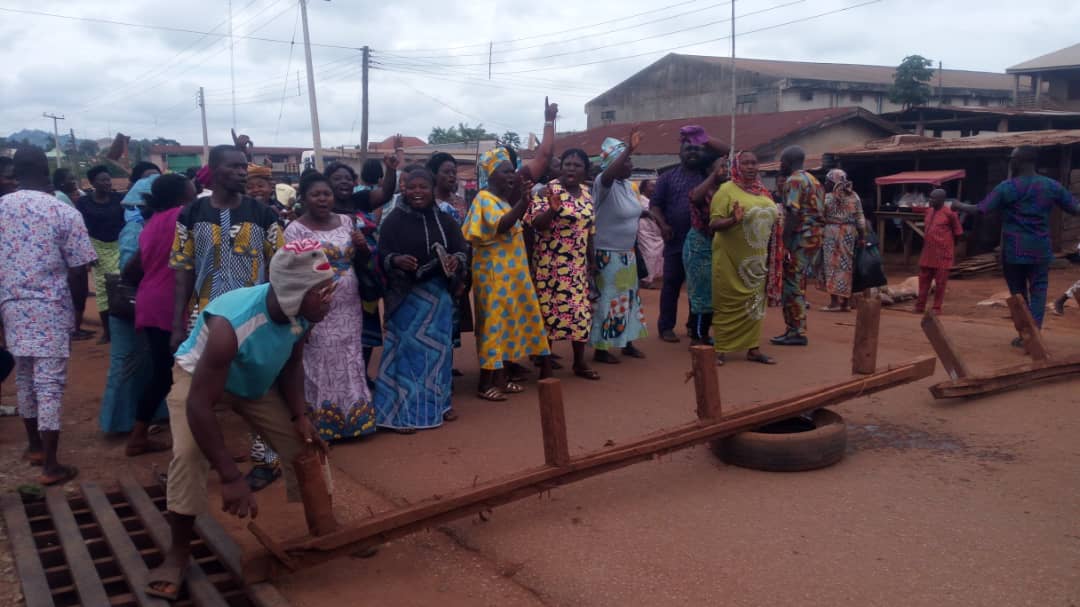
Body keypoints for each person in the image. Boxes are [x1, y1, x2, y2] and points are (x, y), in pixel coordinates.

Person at [145, 242, 334, 601]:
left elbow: (292, 365)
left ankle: (326, 530)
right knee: (188, 456)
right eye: (322, 293)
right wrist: (231, 476)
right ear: (295, 292)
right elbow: (199, 405)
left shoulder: (304, 314)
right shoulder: (230, 326)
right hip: (199, 381)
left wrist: (300, 415)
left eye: (330, 290)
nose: (330, 300)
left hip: (252, 382)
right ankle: (178, 554)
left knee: (305, 448)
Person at [170, 144, 286, 492]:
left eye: (244, 166)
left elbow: (279, 266)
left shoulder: (263, 214)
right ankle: (201, 459)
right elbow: (183, 270)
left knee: (259, 387)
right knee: (201, 389)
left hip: (253, 316)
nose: (241, 172)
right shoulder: (191, 213)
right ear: (213, 170)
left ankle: (266, 461)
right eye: (234, 166)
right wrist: (177, 322)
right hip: (206, 315)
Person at [0, 147, 97, 485]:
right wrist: (75, 313)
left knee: (25, 377)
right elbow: (78, 269)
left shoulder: (1, 208)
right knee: (50, 384)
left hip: (11, 306)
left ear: (15, 172)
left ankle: (35, 447)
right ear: (46, 171)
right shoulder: (63, 211)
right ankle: (51, 465)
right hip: (50, 308)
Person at [953, 146, 1080, 339]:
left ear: (1019, 161)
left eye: (1012, 158)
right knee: (1038, 292)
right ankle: (1034, 334)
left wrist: (957, 205)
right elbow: (1075, 209)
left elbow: (980, 209)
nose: (1010, 161)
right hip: (1039, 250)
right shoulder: (1051, 186)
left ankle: (1025, 335)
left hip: (1014, 250)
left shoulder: (1007, 187)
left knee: (1018, 294)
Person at [375, 168, 468, 431]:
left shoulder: (445, 220)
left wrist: (455, 260)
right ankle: (403, 412)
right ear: (404, 190)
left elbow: (462, 250)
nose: (417, 192)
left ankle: (440, 405)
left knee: (439, 355)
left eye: (423, 187)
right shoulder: (393, 221)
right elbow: (382, 253)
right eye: (412, 187)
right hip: (406, 299)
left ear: (432, 189)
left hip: (438, 300)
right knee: (406, 355)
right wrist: (396, 260)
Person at [284, 173, 376, 440]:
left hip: (349, 303)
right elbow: (290, 271)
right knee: (319, 359)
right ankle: (322, 425)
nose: (322, 199)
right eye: (316, 194)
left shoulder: (347, 221)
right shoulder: (295, 230)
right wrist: (300, 308)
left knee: (350, 356)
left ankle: (355, 421)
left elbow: (363, 257)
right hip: (316, 305)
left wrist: (363, 247)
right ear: (304, 198)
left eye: (327, 194)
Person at [463, 147, 551, 401]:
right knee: (492, 327)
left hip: (510, 277)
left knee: (506, 325)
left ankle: (501, 379)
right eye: (505, 172)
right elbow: (501, 226)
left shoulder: (501, 201)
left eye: (512, 171)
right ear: (490, 175)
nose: (511, 176)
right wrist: (523, 202)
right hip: (493, 277)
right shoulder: (484, 198)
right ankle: (485, 384)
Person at [120, 174, 196, 455]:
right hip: (172, 302)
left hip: (150, 300)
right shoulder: (184, 217)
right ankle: (192, 443)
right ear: (183, 193)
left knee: (163, 372)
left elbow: (134, 267)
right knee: (179, 374)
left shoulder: (152, 223)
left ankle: (139, 434)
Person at [649, 125, 730, 342]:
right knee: (671, 284)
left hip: (705, 240)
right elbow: (655, 205)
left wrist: (703, 138)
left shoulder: (708, 172)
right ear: (680, 153)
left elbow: (726, 150)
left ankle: (695, 328)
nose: (693, 153)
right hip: (675, 239)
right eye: (688, 149)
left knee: (702, 285)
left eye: (697, 149)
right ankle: (666, 327)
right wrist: (663, 225)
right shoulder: (667, 177)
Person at [527, 148, 599, 380]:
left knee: (581, 314)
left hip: (577, 265)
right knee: (549, 315)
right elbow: (536, 224)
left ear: (585, 170)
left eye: (577, 165)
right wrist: (552, 209)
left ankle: (579, 362)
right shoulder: (548, 190)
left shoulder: (587, 193)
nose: (571, 169)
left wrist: (591, 259)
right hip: (551, 265)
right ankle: (545, 365)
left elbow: (589, 229)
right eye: (567, 164)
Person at [325, 158, 398, 386]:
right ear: (327, 182)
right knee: (333, 328)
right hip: (333, 278)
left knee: (366, 328)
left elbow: (385, 193)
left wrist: (391, 170)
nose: (343, 182)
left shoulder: (360, 200)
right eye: (337, 178)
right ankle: (334, 377)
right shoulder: (321, 206)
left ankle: (361, 375)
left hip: (366, 277)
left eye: (348, 178)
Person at [710, 151, 779, 366]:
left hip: (756, 262)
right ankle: (721, 349)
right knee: (727, 304)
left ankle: (753, 349)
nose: (750, 167)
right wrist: (733, 219)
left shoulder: (763, 192)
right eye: (745, 163)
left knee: (755, 305)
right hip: (730, 260)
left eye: (754, 163)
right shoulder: (726, 190)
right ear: (736, 166)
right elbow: (714, 223)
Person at [590, 134, 649, 363]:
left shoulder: (628, 186)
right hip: (607, 255)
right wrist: (628, 149)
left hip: (627, 254)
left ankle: (626, 342)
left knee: (629, 299)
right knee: (608, 300)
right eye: (626, 161)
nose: (630, 165)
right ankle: (601, 349)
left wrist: (653, 217)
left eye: (630, 160)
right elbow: (608, 174)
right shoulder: (603, 184)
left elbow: (634, 212)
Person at [772, 146, 825, 347]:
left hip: (799, 237)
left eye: (781, 161)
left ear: (786, 161)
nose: (780, 165)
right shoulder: (814, 180)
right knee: (798, 282)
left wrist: (784, 242)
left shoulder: (793, 181)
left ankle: (796, 331)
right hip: (814, 237)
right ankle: (794, 329)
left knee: (792, 284)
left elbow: (793, 214)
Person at [428, 152, 473, 375]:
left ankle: (447, 367)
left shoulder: (460, 203)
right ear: (434, 174)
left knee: (453, 318)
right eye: (446, 172)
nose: (452, 176)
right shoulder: (427, 203)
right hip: (434, 270)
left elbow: (466, 237)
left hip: (457, 268)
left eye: (454, 172)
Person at [77, 165, 125, 344]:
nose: (107, 183)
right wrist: (88, 253)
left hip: (119, 246)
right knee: (103, 289)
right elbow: (80, 229)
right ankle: (107, 331)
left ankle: (122, 328)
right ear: (92, 183)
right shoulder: (84, 203)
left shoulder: (119, 199)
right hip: (96, 247)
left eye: (108, 179)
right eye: (102, 180)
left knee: (121, 286)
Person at [685, 155, 730, 346]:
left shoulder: (727, 190)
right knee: (701, 292)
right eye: (721, 167)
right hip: (699, 244)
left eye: (727, 166)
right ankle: (698, 335)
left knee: (714, 291)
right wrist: (713, 176)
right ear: (709, 170)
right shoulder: (703, 190)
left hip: (719, 245)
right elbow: (695, 198)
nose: (725, 170)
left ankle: (702, 332)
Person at [819, 168, 867, 312]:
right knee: (846, 266)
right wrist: (862, 237)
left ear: (832, 182)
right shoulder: (854, 196)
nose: (825, 184)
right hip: (848, 234)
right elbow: (860, 218)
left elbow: (820, 216)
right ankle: (845, 303)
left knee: (831, 266)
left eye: (827, 181)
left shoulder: (827, 198)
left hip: (831, 233)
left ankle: (834, 302)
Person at [913, 189, 963, 315]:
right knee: (923, 281)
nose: (930, 200)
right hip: (928, 253)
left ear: (941, 200)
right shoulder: (928, 211)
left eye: (933, 198)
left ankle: (936, 308)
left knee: (940, 283)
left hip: (943, 254)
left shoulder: (950, 214)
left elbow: (958, 233)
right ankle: (920, 306)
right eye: (930, 197)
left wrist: (949, 246)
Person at [636, 179, 664, 289]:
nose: (654, 188)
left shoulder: (653, 201)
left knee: (656, 255)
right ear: (643, 188)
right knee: (648, 254)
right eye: (651, 186)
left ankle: (652, 278)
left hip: (656, 233)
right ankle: (646, 280)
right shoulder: (640, 200)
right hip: (645, 231)